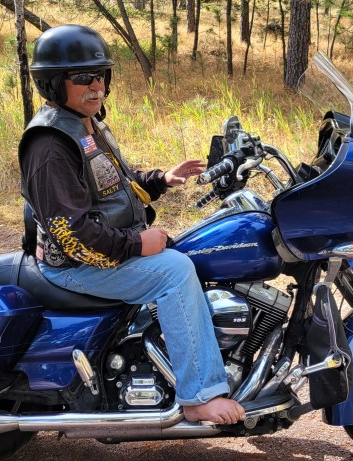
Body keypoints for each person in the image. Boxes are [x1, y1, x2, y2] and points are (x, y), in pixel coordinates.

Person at [18, 24, 245, 425]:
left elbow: (112, 186)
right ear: (53, 83)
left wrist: (161, 180)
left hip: (100, 251)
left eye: (102, 75)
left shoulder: (84, 124)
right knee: (175, 271)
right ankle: (199, 395)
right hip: (75, 265)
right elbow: (71, 235)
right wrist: (137, 244)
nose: (97, 86)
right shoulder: (50, 144)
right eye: (84, 77)